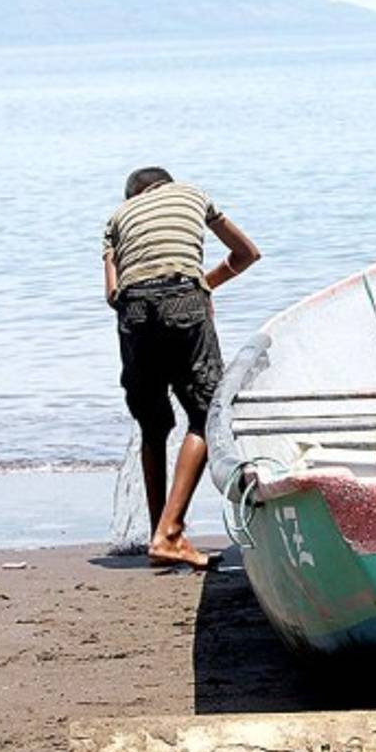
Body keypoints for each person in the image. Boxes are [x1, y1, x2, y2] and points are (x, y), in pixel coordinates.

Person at [102, 166, 261, 569]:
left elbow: (112, 293)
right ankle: (170, 534)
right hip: (183, 300)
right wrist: (203, 284)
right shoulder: (192, 194)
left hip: (134, 311)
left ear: (131, 197)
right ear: (165, 187)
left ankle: (161, 531)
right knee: (207, 414)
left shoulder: (117, 220)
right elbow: (248, 253)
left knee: (153, 426)